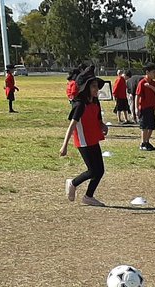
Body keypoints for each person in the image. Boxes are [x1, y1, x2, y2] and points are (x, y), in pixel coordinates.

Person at [61, 70, 109, 206]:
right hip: (83, 141)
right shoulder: (80, 105)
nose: (96, 89)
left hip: (93, 138)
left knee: (100, 170)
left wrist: (103, 125)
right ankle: (73, 183)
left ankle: (88, 196)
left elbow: (97, 119)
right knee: (93, 170)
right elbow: (72, 126)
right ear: (86, 88)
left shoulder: (95, 102)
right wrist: (64, 146)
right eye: (93, 86)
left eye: (96, 86)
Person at [135, 65, 155, 152]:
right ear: (147, 72)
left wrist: (150, 86)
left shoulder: (153, 83)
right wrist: (137, 109)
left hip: (151, 108)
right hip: (144, 108)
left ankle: (147, 141)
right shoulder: (142, 83)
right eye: (153, 72)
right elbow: (137, 96)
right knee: (144, 126)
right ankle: (143, 143)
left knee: (151, 126)